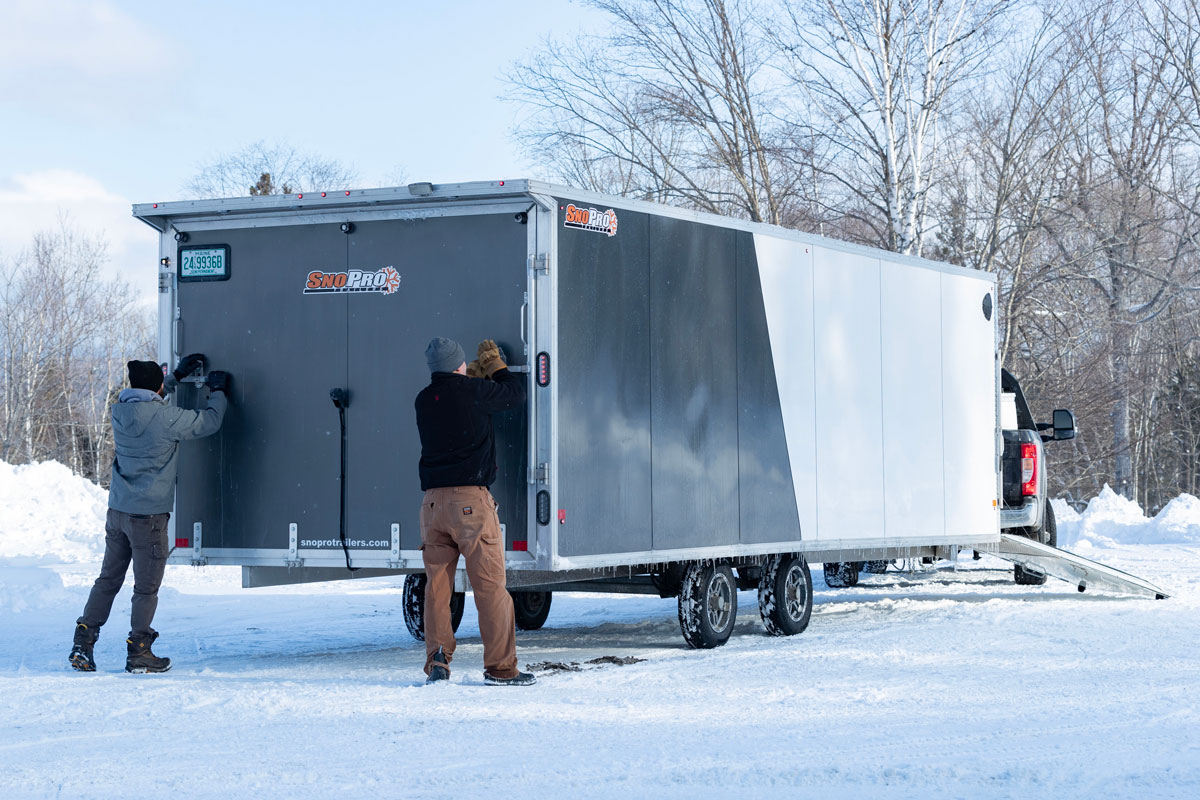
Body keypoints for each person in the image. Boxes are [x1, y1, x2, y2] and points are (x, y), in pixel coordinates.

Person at [69, 355, 231, 673]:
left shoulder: (120, 411)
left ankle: (83, 642)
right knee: (145, 588)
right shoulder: (166, 419)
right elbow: (209, 422)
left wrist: (176, 377)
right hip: (149, 519)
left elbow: (149, 400)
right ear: (157, 387)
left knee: (108, 579)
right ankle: (139, 651)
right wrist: (219, 392)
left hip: (118, 512)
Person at [414, 337, 535, 686]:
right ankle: (500, 668)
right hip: (470, 504)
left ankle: (438, 660)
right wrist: (497, 367)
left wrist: (477, 384)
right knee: (490, 587)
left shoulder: (423, 400)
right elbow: (516, 392)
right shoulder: (473, 392)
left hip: (432, 505)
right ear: (460, 365)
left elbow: (455, 402)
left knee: (437, 588)